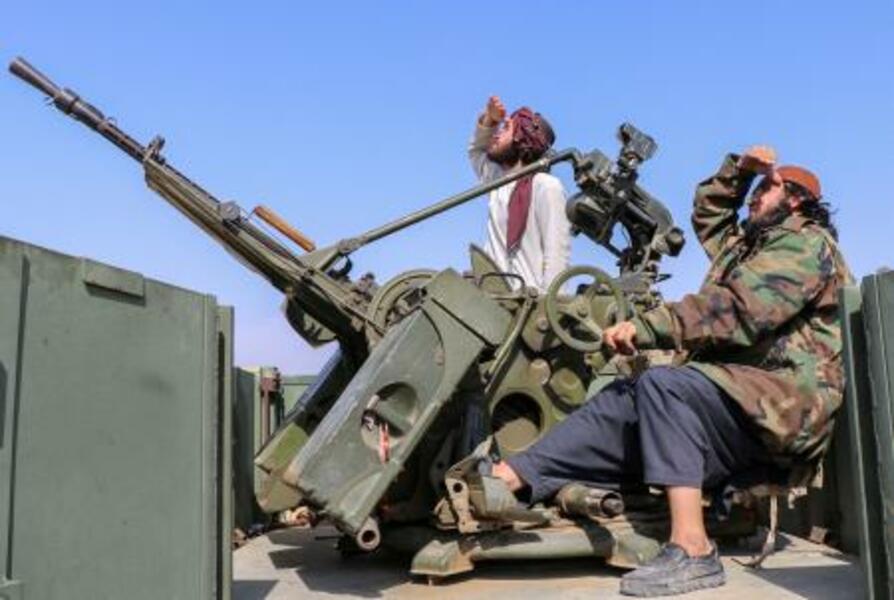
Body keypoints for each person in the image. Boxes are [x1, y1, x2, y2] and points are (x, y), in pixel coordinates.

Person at [489, 146, 853, 597]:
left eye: (765, 188)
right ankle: (512, 475)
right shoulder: (749, 246)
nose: (754, 198)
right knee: (624, 398)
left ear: (795, 199)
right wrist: (738, 172)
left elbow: (739, 309)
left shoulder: (806, 244)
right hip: (738, 398)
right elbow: (710, 216)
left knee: (665, 388)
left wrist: (649, 327)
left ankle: (693, 548)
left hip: (784, 405)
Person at [469, 96, 571, 292]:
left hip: (528, 302)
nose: (496, 135)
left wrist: (550, 305)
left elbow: (557, 256)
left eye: (506, 128)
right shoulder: (498, 182)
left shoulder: (546, 186)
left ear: (522, 138)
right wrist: (490, 120)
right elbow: (476, 151)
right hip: (492, 298)